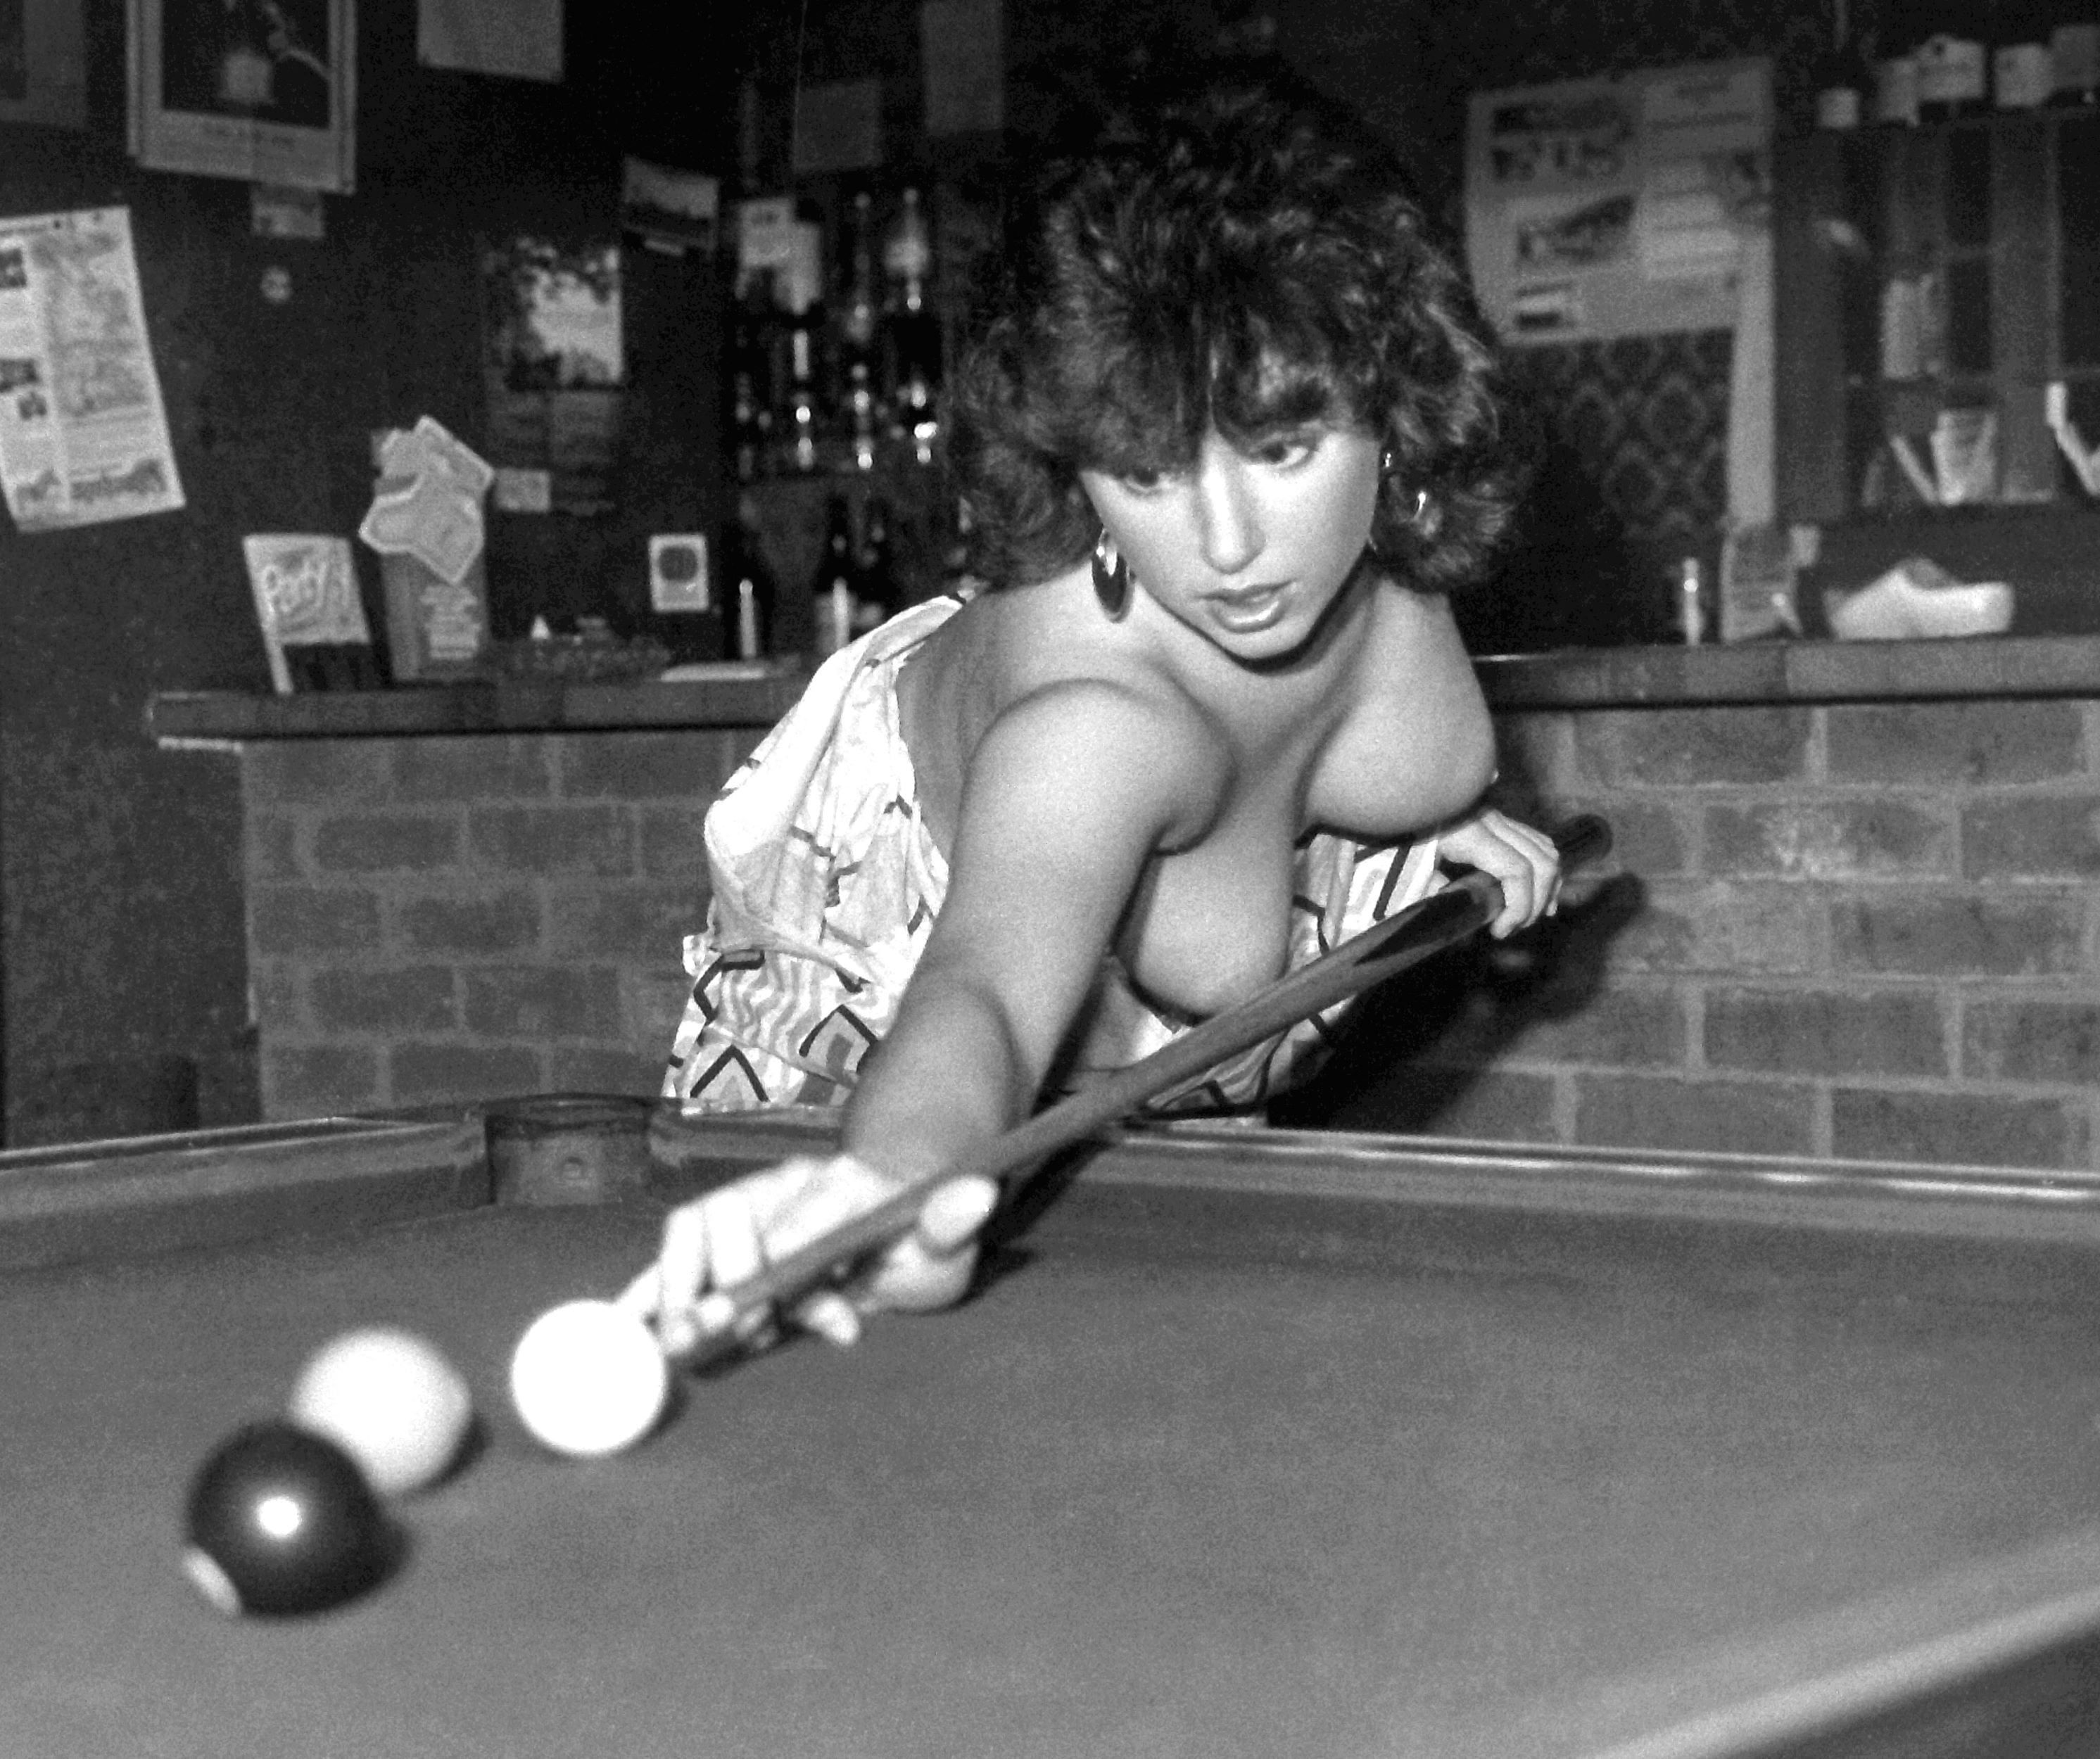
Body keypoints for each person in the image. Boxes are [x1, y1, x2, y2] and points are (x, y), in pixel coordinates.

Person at [631, 85, 1562, 1358]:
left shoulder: (1390, 573)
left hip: (1157, 1126)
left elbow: (1315, 756)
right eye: (1147, 470)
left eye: (1282, 450)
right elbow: (987, 995)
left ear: (1394, 418)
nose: (1228, 547)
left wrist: (1413, 833)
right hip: (877, 1063)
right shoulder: (1095, 732)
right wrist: (885, 1190)